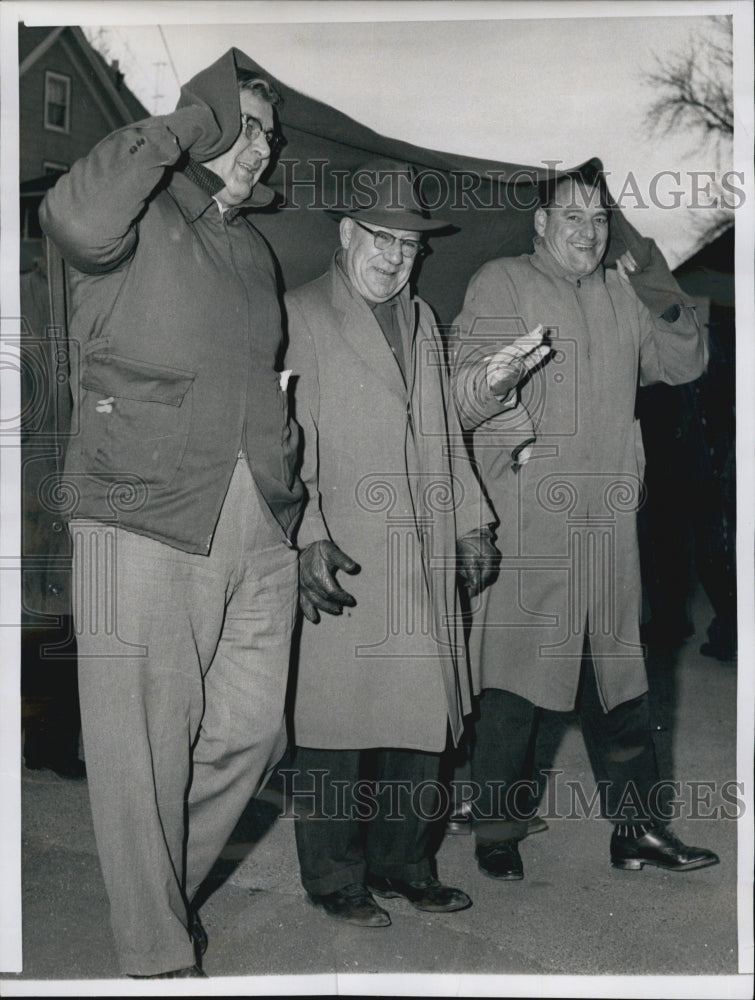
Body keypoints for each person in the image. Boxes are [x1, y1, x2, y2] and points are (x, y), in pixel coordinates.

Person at [39, 49, 304, 978]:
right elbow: (68, 214)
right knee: (140, 748)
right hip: (140, 508)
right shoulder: (135, 209)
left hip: (255, 522)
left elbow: (265, 388)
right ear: (202, 124)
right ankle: (155, 952)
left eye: (271, 136)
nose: (260, 149)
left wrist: (291, 508)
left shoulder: (253, 249)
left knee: (253, 729)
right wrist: (192, 122)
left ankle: (151, 895)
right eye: (245, 126)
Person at [451, 164, 719, 881]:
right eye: (570, 217)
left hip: (607, 520)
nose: (587, 231)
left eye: (599, 219)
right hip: (530, 517)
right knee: (514, 685)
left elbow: (685, 362)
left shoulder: (619, 293)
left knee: (619, 682)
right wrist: (518, 440)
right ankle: (496, 831)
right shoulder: (501, 281)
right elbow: (467, 385)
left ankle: (637, 833)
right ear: (539, 224)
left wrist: (655, 281)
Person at [284, 161, 499, 927]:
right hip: (348, 553)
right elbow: (285, 446)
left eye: (409, 245)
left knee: (422, 723)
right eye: (381, 238)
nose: (395, 257)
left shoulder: (421, 321)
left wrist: (473, 518)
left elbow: (446, 438)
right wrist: (307, 536)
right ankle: (334, 878)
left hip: (426, 551)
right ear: (346, 234)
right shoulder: (299, 313)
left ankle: (405, 865)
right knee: (335, 729)